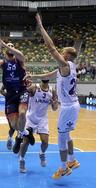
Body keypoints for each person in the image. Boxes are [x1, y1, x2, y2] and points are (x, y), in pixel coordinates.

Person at [24, 13, 80, 179]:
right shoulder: (68, 67)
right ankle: (72, 160)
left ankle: (63, 168)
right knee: (67, 134)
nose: (60, 55)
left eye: (62, 53)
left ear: (67, 56)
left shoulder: (65, 64)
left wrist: (41, 27)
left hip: (68, 107)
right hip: (73, 105)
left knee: (61, 139)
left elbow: (51, 48)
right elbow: (49, 73)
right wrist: (32, 76)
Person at [0, 36, 34, 154]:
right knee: (14, 125)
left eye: (12, 46)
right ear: (5, 52)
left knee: (23, 113)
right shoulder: (3, 63)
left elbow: (20, 54)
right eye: (8, 46)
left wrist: (4, 44)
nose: (10, 47)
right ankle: (25, 132)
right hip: (10, 96)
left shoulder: (20, 61)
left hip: (22, 91)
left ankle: (20, 136)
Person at [19, 79, 58, 173]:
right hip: (31, 118)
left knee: (45, 142)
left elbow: (55, 108)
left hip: (42, 119)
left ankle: (42, 153)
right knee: (26, 142)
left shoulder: (52, 91)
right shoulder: (34, 88)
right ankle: (21, 160)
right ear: (41, 79)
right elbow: (23, 92)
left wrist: (54, 103)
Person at [0, 85, 15, 150]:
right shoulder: (8, 81)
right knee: (12, 127)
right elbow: (1, 90)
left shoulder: (21, 82)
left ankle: (19, 143)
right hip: (9, 106)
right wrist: (6, 95)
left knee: (21, 127)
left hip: (18, 105)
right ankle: (10, 138)